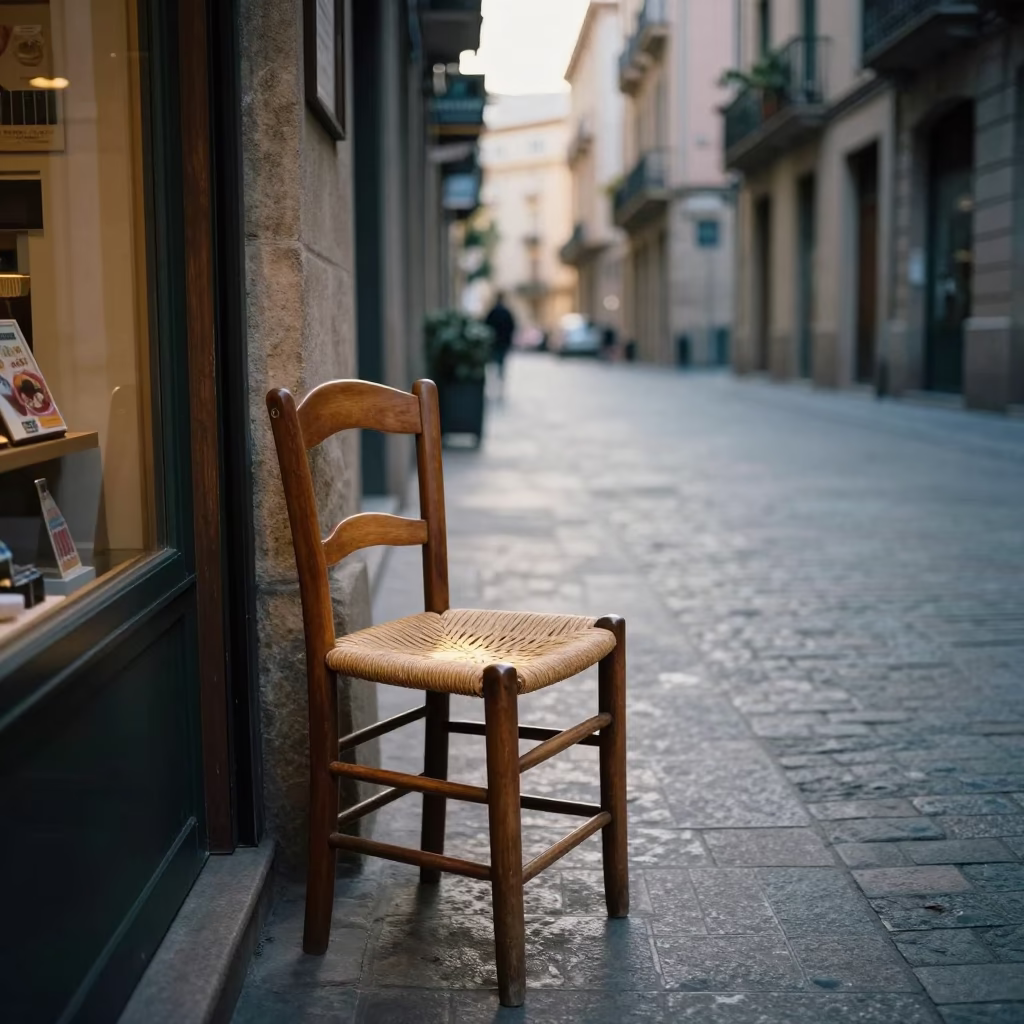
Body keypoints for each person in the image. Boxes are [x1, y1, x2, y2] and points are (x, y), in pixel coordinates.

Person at [484, 292, 515, 393]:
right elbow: (512, 327)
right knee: (501, 363)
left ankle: (494, 383)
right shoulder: (506, 312)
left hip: (494, 342)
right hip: (503, 342)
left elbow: (486, 325)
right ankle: (500, 382)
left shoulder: (492, 311)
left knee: (493, 363)